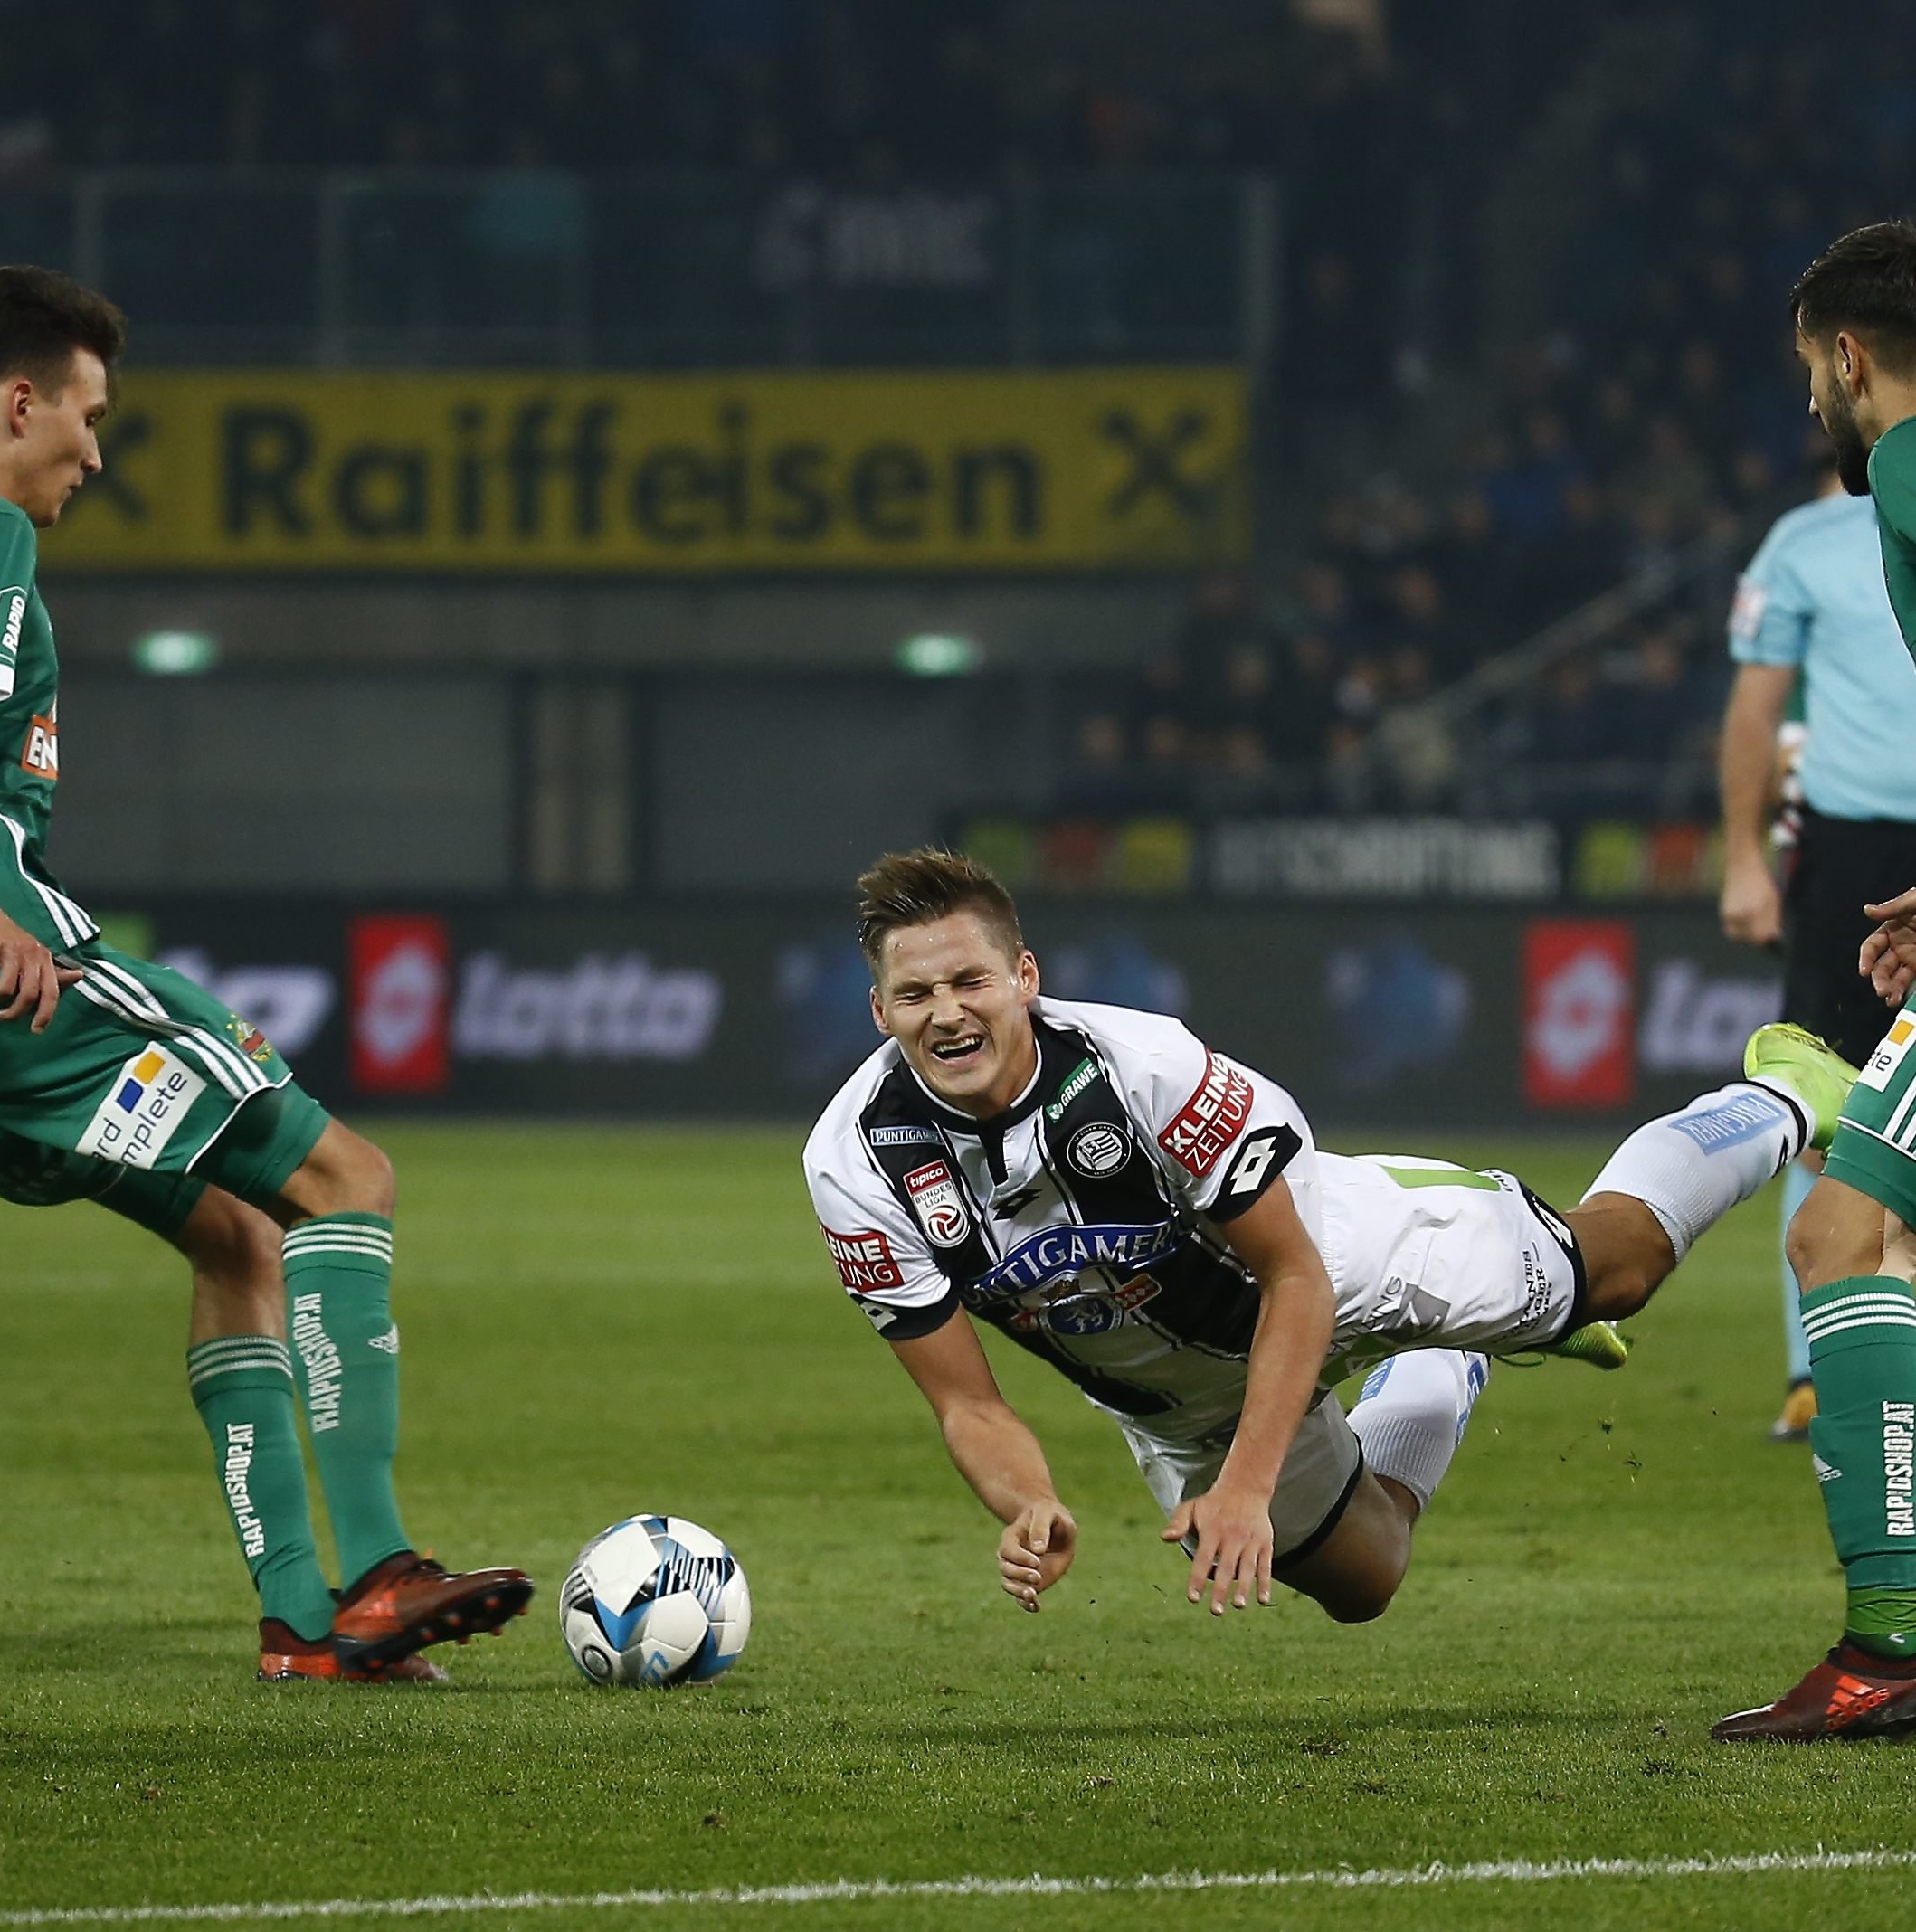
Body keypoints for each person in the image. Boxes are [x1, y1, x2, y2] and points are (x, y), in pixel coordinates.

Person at [803, 850, 1845, 1627]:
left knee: (1615, 1272)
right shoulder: (856, 1165)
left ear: (1023, 976)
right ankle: (1446, 1363)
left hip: (1339, 1263)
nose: (947, 1013)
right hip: (1181, 1402)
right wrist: (1032, 1503)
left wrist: (1247, 1490)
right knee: (1366, 1581)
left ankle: (1783, 1097)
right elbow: (968, 1402)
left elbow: (1294, 1272)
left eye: (969, 981)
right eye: (916, 993)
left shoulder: (1142, 1067)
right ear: (879, 1008)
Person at [0, 263, 532, 1682]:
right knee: (344, 1179)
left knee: (234, 1235)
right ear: (17, 400)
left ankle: (300, 1619)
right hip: (19, 988)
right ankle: (371, 1573)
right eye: (88, 418)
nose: (96, 454)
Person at [1714, 220, 1916, 1742]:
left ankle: (1892, 1650)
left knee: (1841, 1235)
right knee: (1855, 1220)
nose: (1810, 409)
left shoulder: (1905, 472)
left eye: (1808, 374)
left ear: (1850, 356)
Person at [1718, 456, 1916, 1442]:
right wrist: (1746, 860)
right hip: (1849, 855)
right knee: (1826, 1100)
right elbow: (1756, 707)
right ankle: (1815, 1371)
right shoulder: (1803, 541)